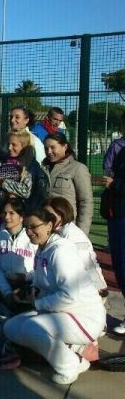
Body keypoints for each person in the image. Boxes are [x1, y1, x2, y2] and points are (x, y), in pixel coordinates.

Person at [4, 209, 106, 385]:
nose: (29, 232)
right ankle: (75, 348)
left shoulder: (60, 251)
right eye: (26, 227)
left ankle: (71, 365)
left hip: (85, 317)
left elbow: (69, 295)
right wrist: (27, 293)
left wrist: (37, 303)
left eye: (34, 226)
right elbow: (43, 283)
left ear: (50, 226)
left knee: (32, 327)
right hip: (60, 313)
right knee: (11, 327)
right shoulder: (42, 248)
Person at [43, 197, 107, 294]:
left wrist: (99, 288)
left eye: (50, 214)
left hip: (83, 290)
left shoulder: (73, 235)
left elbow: (88, 263)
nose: (46, 217)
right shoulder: (54, 231)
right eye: (44, 214)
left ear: (62, 214)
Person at [0, 130, 48, 217]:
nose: (9, 148)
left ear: (24, 147)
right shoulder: (1, 163)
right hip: (1, 215)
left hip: (23, 215)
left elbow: (25, 191)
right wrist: (4, 195)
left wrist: (3, 183)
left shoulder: (30, 166)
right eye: (8, 144)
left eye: (14, 145)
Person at [0, 199, 37, 311]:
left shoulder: (32, 238)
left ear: (21, 217)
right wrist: (6, 292)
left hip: (27, 286)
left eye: (11, 213)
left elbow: (38, 269)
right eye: (4, 213)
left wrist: (25, 277)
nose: (6, 217)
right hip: (2, 286)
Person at [41, 133, 93, 234]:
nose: (49, 152)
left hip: (67, 228)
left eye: (53, 147)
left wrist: (81, 232)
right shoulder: (42, 169)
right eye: (46, 148)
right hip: (45, 226)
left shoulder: (78, 168)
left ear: (65, 147)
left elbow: (86, 202)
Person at [102, 112, 125, 334]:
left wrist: (114, 184)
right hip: (117, 213)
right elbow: (107, 168)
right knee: (119, 264)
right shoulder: (119, 147)